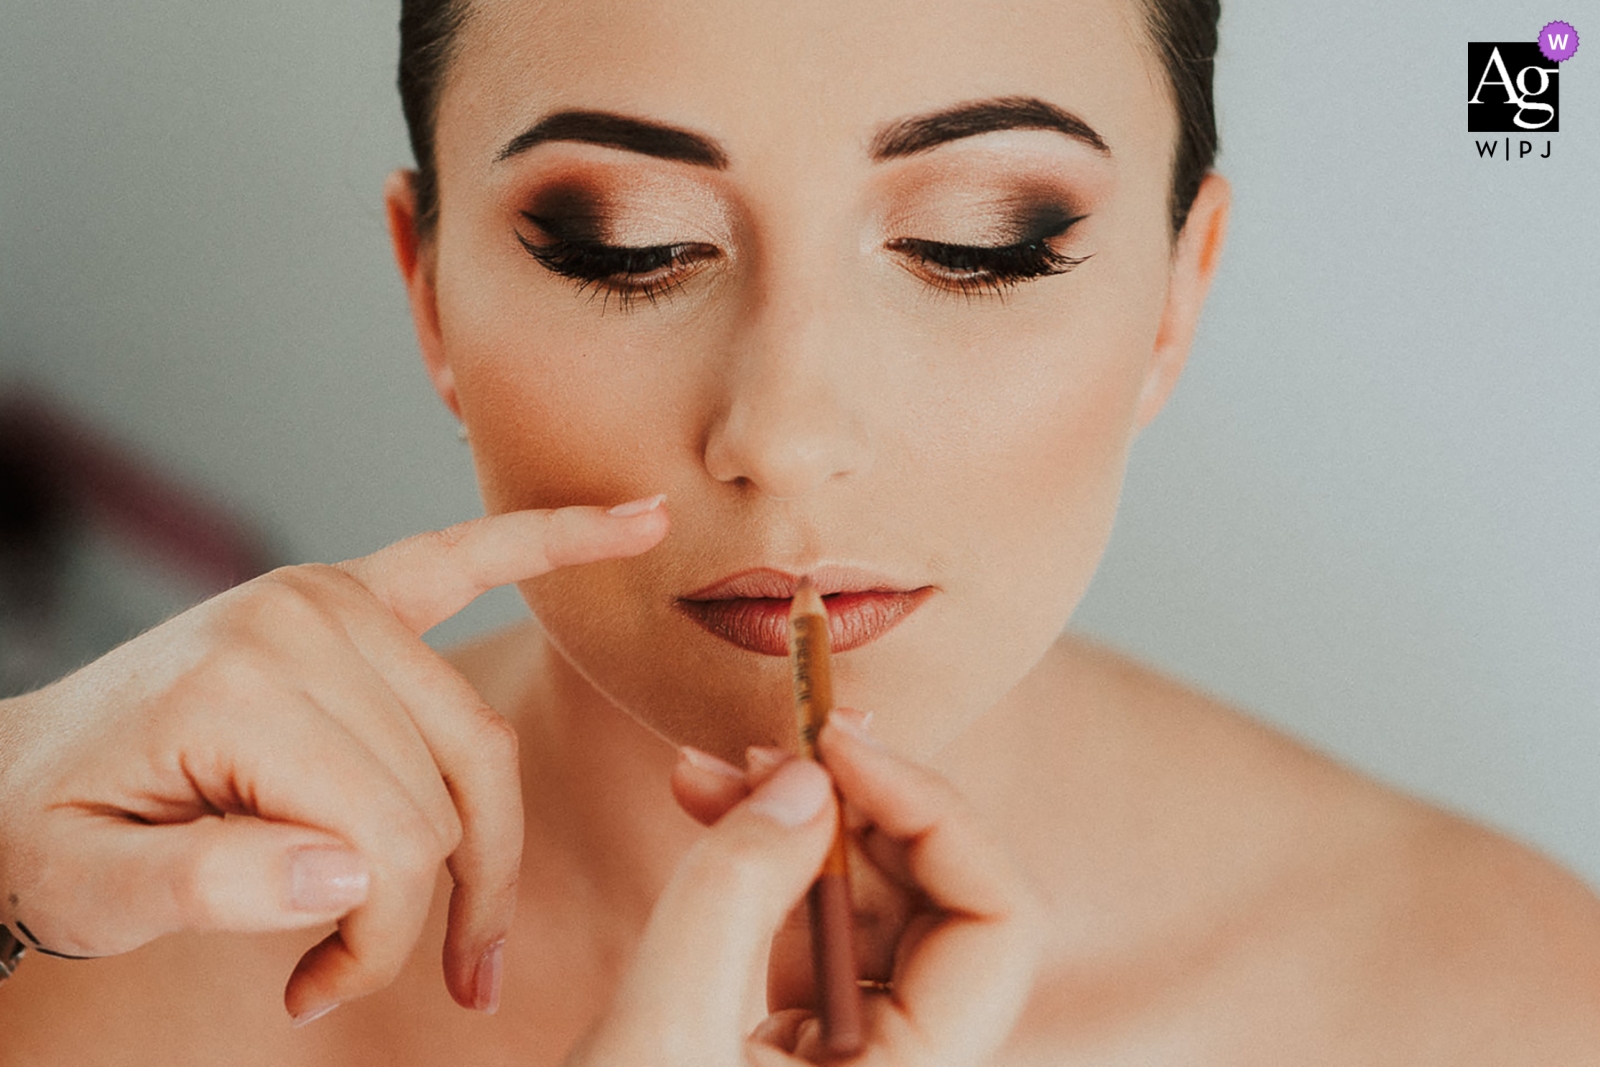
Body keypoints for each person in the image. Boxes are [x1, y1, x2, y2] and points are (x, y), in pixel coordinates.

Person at [2, 0, 1598, 1062]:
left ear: (1179, 295)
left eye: (989, 244)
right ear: (428, 294)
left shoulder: (1501, 1003)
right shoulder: (86, 951)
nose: (784, 434)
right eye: (627, 246)